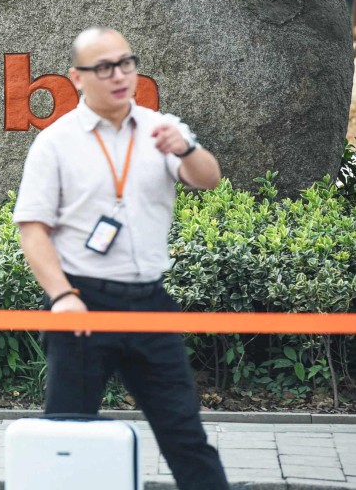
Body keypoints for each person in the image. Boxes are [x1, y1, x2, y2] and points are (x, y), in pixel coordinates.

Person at [12, 26, 229, 490]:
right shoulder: (56, 142)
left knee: (185, 434)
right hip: (82, 305)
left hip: (151, 305)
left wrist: (187, 149)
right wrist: (62, 296)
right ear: (77, 77)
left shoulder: (160, 128)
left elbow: (208, 179)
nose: (119, 75)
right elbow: (32, 229)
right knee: (67, 439)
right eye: (104, 67)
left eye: (126, 63)